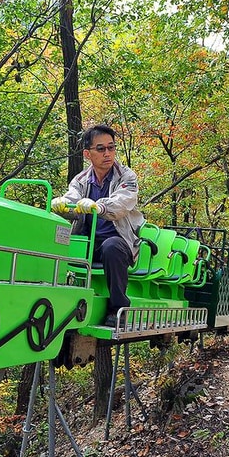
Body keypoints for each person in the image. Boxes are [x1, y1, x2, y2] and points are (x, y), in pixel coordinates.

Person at [51, 124, 145, 327]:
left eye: (111, 148)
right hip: (89, 240)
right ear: (87, 153)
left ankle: (118, 309)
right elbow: (72, 198)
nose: (107, 154)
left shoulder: (127, 176)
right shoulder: (81, 179)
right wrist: (63, 205)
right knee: (58, 238)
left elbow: (122, 203)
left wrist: (98, 206)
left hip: (118, 241)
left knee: (111, 247)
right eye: (101, 149)